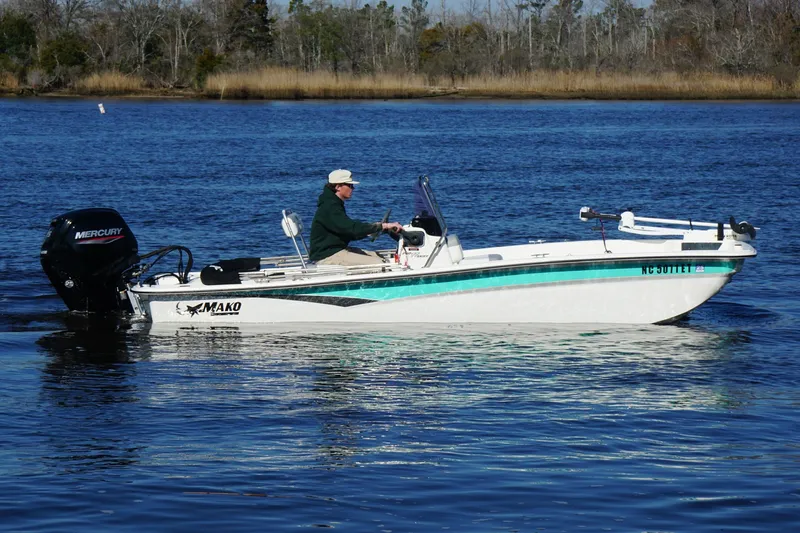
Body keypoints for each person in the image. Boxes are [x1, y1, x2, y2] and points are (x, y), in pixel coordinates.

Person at [309, 169, 403, 266]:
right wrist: (383, 226)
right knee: (379, 264)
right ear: (338, 187)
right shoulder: (330, 207)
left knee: (378, 256)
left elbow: (346, 231)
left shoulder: (333, 204)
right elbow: (351, 228)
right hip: (328, 255)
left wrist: (370, 232)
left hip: (336, 250)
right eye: (350, 185)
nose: (353, 188)